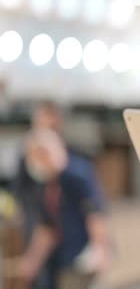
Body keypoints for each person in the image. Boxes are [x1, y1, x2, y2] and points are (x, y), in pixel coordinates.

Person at [15, 128, 109, 289]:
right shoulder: (45, 183)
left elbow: (94, 214)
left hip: (81, 256)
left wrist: (100, 247)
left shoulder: (77, 174)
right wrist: (32, 260)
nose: (33, 163)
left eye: (35, 156)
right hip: (59, 257)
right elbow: (46, 227)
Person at [11, 101, 66, 289]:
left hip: (58, 238)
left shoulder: (68, 171)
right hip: (35, 225)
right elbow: (19, 191)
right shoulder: (26, 159)